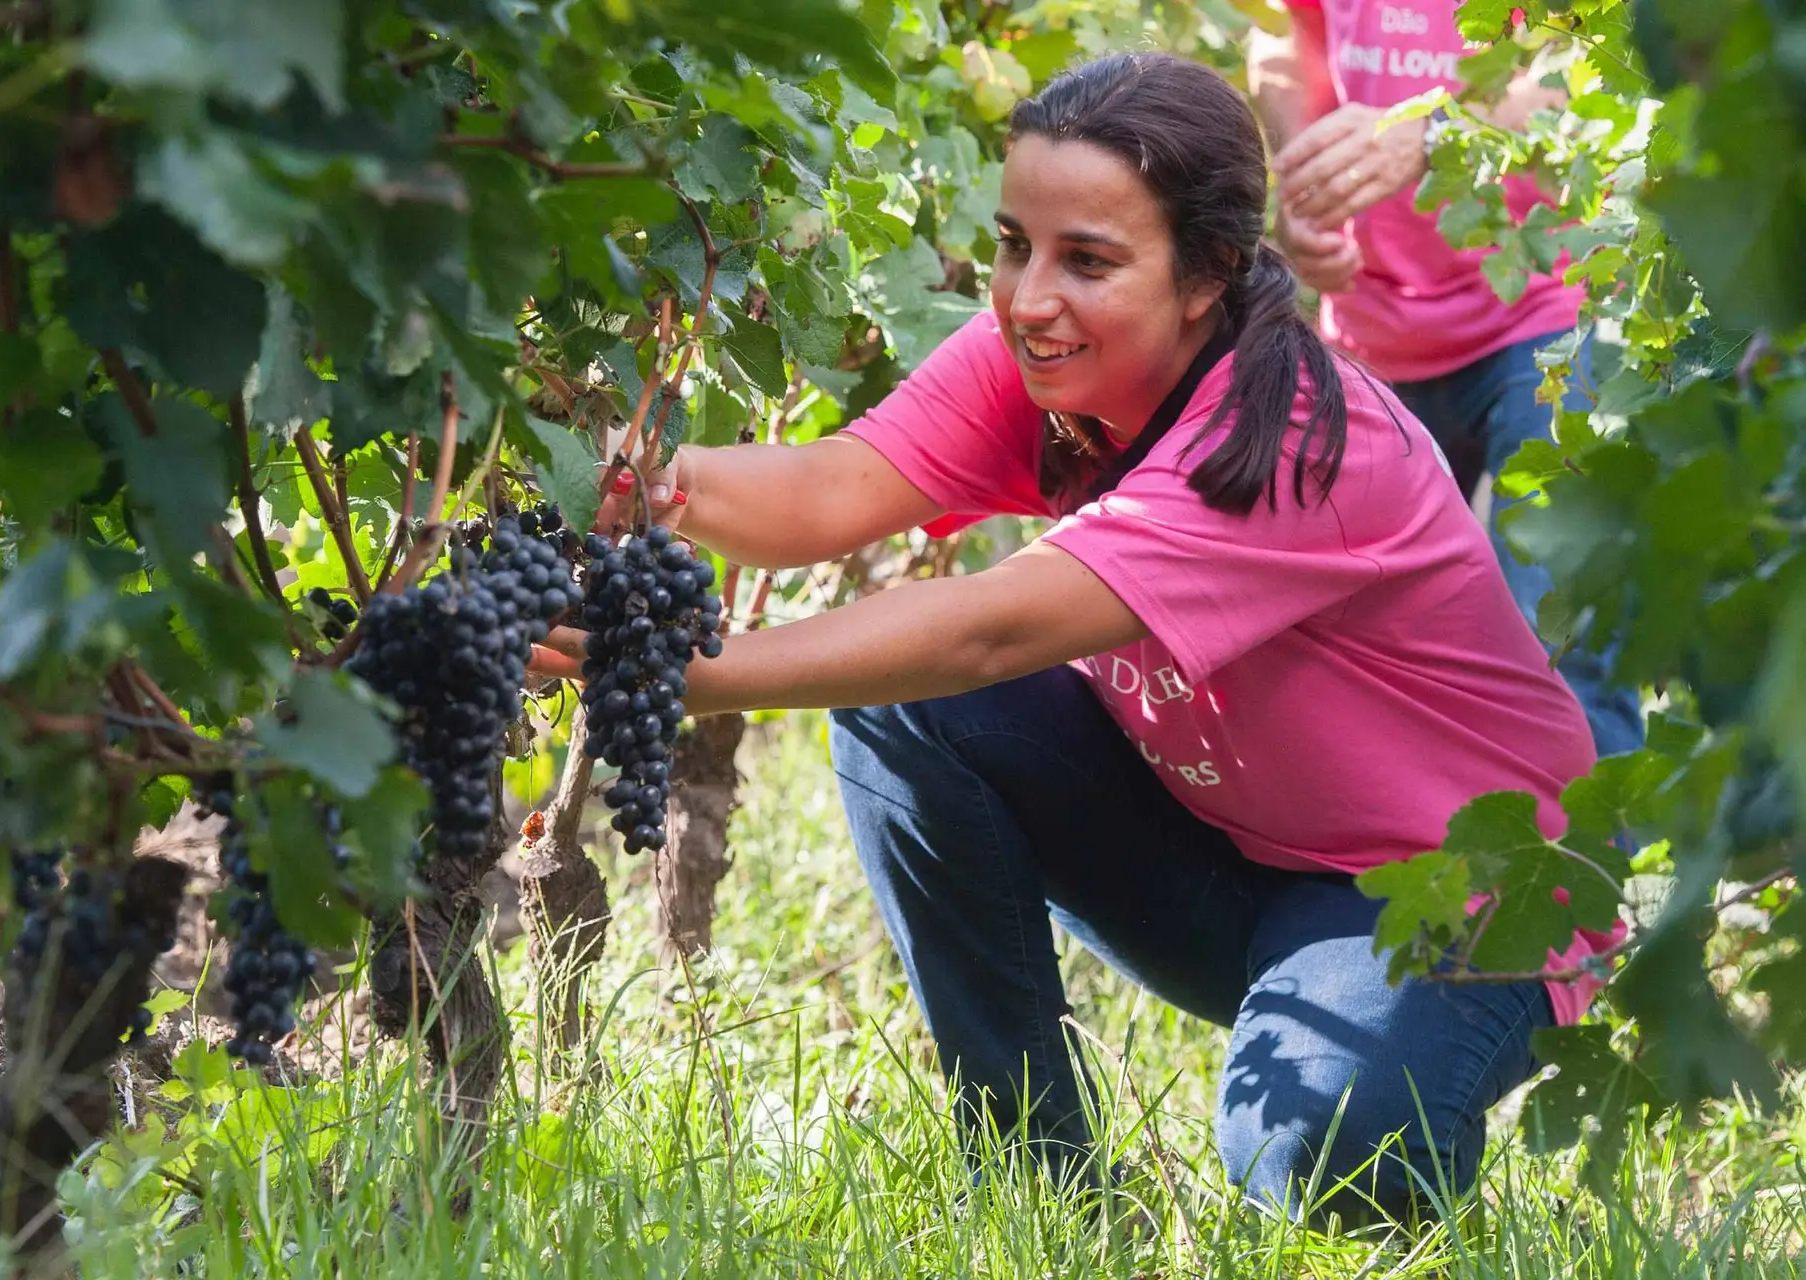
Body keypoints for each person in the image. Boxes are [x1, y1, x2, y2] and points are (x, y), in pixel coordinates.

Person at [533, 52, 1617, 1226]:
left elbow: (995, 630)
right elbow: (828, 490)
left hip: (1463, 884)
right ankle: (1047, 1190)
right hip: (1233, 851)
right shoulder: (1051, 357)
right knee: (901, 712)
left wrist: (683, 671)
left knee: (1323, 1150)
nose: (1027, 295)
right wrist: (615, 475)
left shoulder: (1298, 441)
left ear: (1205, 273)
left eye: (1088, 260)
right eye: (1014, 244)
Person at [1247, 0, 1644, 759]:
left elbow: (1603, 88)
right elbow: (1282, 37)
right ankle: (1406, 864)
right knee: (1361, 648)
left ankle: (1585, 869)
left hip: (1547, 313)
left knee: (1562, 633)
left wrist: (1432, 135)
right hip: (1371, 335)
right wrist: (1305, 186)